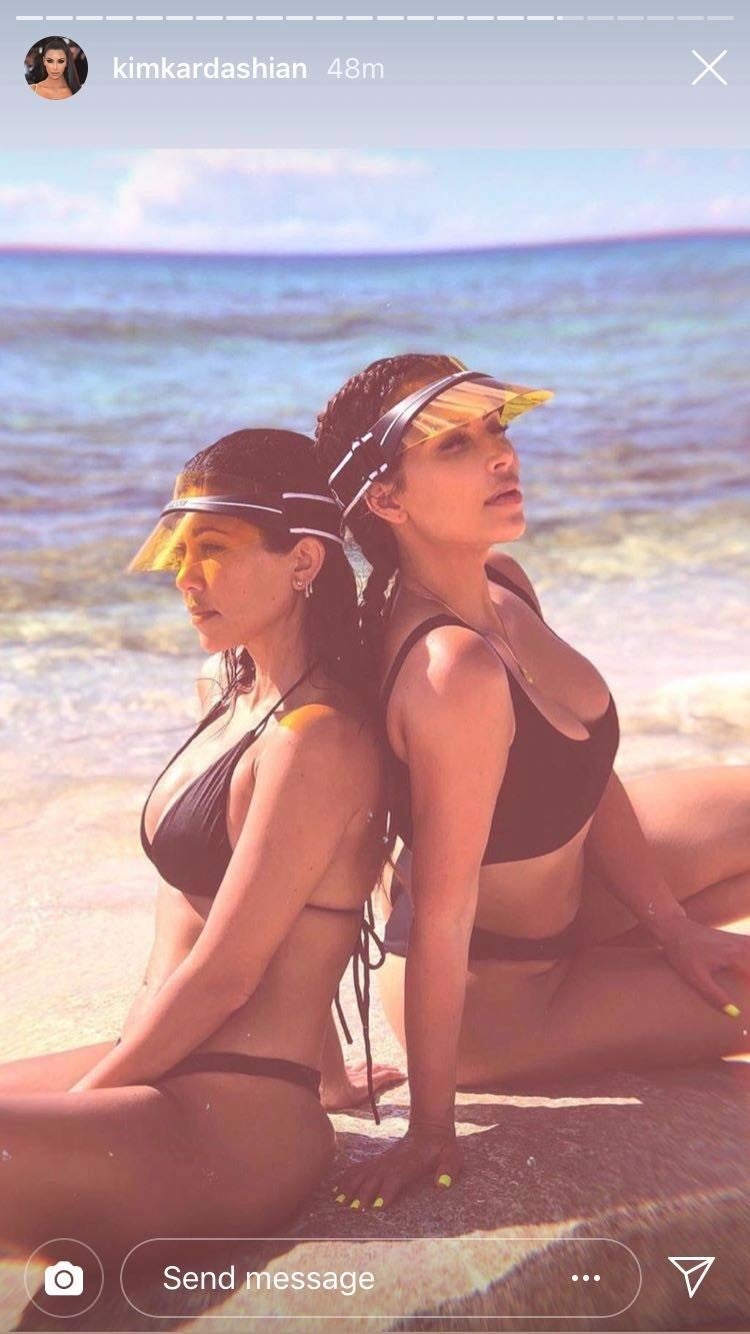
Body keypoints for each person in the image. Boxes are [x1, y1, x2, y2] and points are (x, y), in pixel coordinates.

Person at [314, 353, 750, 1209]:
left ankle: (640, 954)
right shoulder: (450, 673)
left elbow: (583, 766)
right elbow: (442, 917)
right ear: (387, 500)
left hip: (579, 890)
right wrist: (429, 1129)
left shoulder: (501, 581)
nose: (502, 457)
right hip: (507, 998)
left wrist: (672, 926)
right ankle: (617, 981)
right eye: (456, 446)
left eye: (496, 431)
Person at [0, 428, 387, 1261]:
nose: (184, 577)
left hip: (233, 1123)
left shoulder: (318, 740)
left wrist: (85, 1106)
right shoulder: (233, 694)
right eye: (181, 550)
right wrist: (334, 1077)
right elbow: (276, 918)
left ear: (304, 560)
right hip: (159, 1069)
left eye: (213, 549)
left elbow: (227, 974)